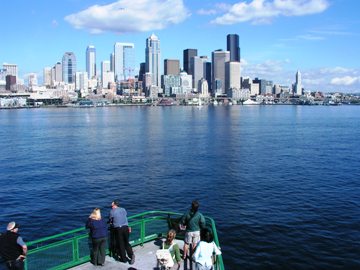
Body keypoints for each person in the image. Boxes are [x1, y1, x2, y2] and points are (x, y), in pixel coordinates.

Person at [109, 200, 135, 264]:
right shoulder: (123, 209)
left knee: (121, 244)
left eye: (111, 205)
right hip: (126, 227)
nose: (111, 206)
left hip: (118, 229)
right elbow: (124, 217)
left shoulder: (112, 211)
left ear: (114, 205)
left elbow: (110, 220)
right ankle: (131, 255)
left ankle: (124, 259)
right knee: (126, 242)